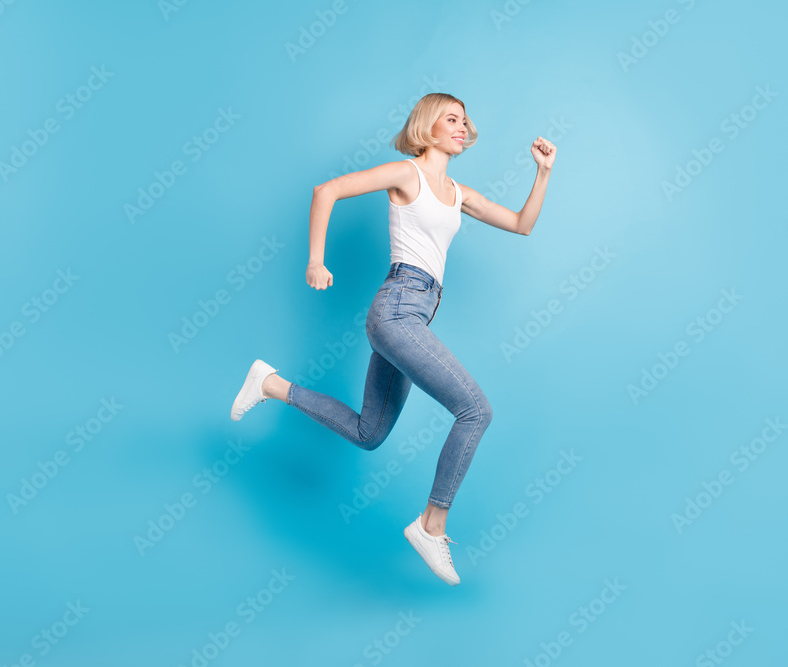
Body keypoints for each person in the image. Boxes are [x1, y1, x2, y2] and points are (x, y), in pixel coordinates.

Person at [229, 93, 556, 585]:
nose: (462, 127)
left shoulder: (458, 192)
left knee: (369, 434)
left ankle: (271, 383)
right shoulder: (408, 174)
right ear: (428, 126)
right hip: (398, 310)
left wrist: (543, 172)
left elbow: (521, 225)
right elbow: (326, 190)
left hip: (415, 319)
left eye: (465, 121)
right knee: (476, 411)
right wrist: (316, 260)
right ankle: (432, 525)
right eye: (452, 119)